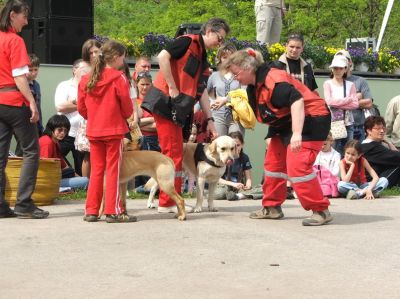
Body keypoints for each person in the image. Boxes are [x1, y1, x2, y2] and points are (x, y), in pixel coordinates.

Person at [223, 48, 332, 226]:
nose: (234, 77)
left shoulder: (273, 80)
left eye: (235, 73)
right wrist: (272, 133)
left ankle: (321, 210)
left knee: (297, 167)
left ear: (248, 68)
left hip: (312, 118)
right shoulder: (254, 86)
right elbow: (274, 111)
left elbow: (296, 101)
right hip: (286, 122)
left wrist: (297, 133)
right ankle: (272, 208)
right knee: (273, 164)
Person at [142, 17, 230, 214]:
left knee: (176, 154)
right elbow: (162, 56)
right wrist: (172, 87)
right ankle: (167, 203)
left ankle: (171, 199)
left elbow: (202, 92)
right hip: (166, 103)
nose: (220, 43)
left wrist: (210, 121)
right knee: (172, 153)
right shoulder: (187, 41)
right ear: (208, 31)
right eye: (219, 37)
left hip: (178, 108)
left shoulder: (203, 58)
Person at [77, 40, 136, 223]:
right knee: (112, 171)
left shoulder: (86, 78)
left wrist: (93, 118)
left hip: (94, 130)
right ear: (117, 57)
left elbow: (81, 107)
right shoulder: (119, 78)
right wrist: (125, 116)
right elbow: (127, 108)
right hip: (114, 130)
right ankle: (112, 211)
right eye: (123, 57)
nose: (124, 60)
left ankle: (92, 211)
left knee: (96, 171)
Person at [0, 0, 49, 219]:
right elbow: (20, 76)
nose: (26, 21)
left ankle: (1, 206)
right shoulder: (14, 40)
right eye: (24, 17)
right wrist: (31, 101)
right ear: (12, 15)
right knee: (31, 150)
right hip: (13, 101)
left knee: (0, 155)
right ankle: (24, 203)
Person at [54, 59, 90, 176]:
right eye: (84, 69)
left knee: (83, 164)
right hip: (65, 132)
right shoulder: (64, 85)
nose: (87, 72)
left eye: (89, 69)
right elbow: (60, 106)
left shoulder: (90, 87)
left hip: (82, 133)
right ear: (74, 70)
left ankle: (82, 186)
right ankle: (71, 175)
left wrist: (73, 103)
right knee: (56, 156)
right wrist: (82, 104)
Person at [39, 115, 89, 190]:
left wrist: (79, 178)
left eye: (65, 131)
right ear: (52, 129)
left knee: (72, 173)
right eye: (60, 130)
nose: (63, 133)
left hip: (53, 177)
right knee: (86, 181)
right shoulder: (47, 142)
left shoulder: (56, 143)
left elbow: (65, 166)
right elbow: (44, 167)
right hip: (46, 181)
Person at [335, 49, 374, 142]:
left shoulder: (361, 81)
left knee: (358, 156)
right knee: (339, 156)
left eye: (344, 60)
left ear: (350, 62)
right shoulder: (332, 83)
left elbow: (369, 103)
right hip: (338, 127)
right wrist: (357, 96)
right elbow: (332, 103)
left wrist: (342, 102)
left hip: (358, 128)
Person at [323, 55, 358, 156]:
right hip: (333, 122)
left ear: (345, 69)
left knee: (349, 151)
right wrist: (347, 100)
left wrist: (337, 104)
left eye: (340, 68)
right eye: (335, 68)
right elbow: (329, 102)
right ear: (332, 69)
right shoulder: (328, 83)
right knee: (333, 150)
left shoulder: (350, 84)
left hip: (348, 122)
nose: (338, 70)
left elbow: (355, 104)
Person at [207, 43, 245, 136]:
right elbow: (203, 94)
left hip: (237, 116)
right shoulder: (214, 76)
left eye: (230, 57)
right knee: (220, 146)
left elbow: (244, 94)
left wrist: (227, 99)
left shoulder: (241, 75)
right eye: (224, 57)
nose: (227, 60)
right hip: (218, 116)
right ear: (220, 59)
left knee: (235, 145)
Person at [14, 53, 44, 156]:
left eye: (36, 70)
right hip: (22, 122)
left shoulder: (36, 85)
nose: (33, 73)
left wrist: (40, 125)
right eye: (30, 70)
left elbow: (38, 107)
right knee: (23, 148)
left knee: (33, 149)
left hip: (35, 122)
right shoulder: (18, 85)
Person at [361, 116, 400, 188]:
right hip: (374, 182)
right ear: (369, 131)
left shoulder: (364, 145)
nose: (382, 131)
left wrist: (389, 142)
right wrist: (389, 143)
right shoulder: (372, 147)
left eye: (383, 128)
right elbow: (397, 156)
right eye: (378, 129)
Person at [214, 131, 253, 201]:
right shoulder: (223, 158)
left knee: (262, 190)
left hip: (239, 187)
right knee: (219, 193)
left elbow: (248, 178)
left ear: (242, 144)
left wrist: (248, 185)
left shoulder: (244, 157)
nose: (235, 148)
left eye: (238, 145)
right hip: (225, 186)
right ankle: (234, 195)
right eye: (233, 146)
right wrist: (232, 184)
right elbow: (217, 179)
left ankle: (238, 196)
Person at [313, 132, 341, 198]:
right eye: (320, 144)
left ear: (331, 142)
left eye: (325, 144)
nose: (322, 146)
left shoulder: (336, 155)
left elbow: (336, 172)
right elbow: (314, 167)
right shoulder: (317, 153)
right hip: (318, 179)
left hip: (331, 180)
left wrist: (326, 175)